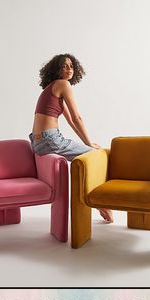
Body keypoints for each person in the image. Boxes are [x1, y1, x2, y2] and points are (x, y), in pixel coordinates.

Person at [29, 53, 113, 223]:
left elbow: (70, 122)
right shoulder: (63, 84)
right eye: (64, 66)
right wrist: (89, 144)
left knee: (90, 154)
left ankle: (98, 202)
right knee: (98, 157)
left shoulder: (52, 88)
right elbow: (77, 118)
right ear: (56, 69)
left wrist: (87, 145)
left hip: (37, 143)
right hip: (50, 139)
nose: (69, 69)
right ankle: (101, 203)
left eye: (71, 66)